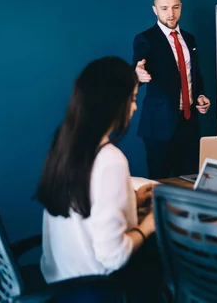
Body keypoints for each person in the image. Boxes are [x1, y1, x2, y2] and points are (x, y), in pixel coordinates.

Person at [35, 56, 161, 302]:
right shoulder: (110, 160)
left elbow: (83, 210)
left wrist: (131, 201)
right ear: (114, 103)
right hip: (97, 289)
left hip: (62, 279)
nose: (135, 107)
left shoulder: (65, 144)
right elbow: (113, 257)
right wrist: (150, 224)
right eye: (132, 99)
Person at [133, 0, 210, 180]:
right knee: (160, 183)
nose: (171, 14)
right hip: (159, 126)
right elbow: (138, 65)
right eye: (164, 8)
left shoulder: (190, 39)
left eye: (175, 7)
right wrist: (138, 74)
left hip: (189, 124)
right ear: (155, 10)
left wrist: (200, 96)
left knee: (190, 181)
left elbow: (195, 74)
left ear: (181, 7)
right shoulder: (145, 39)